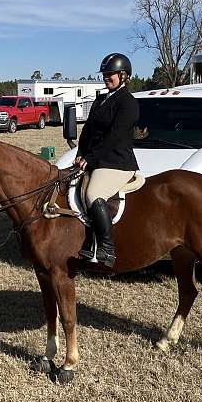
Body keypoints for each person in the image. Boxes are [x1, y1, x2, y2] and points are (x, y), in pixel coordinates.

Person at [75, 53, 139, 268]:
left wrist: (91, 158)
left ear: (123, 75)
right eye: (104, 74)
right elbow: (88, 130)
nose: (106, 77)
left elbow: (115, 136)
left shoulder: (128, 103)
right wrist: (80, 153)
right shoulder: (100, 100)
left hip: (117, 162)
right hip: (97, 159)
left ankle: (106, 248)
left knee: (93, 194)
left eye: (110, 74)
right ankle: (87, 239)